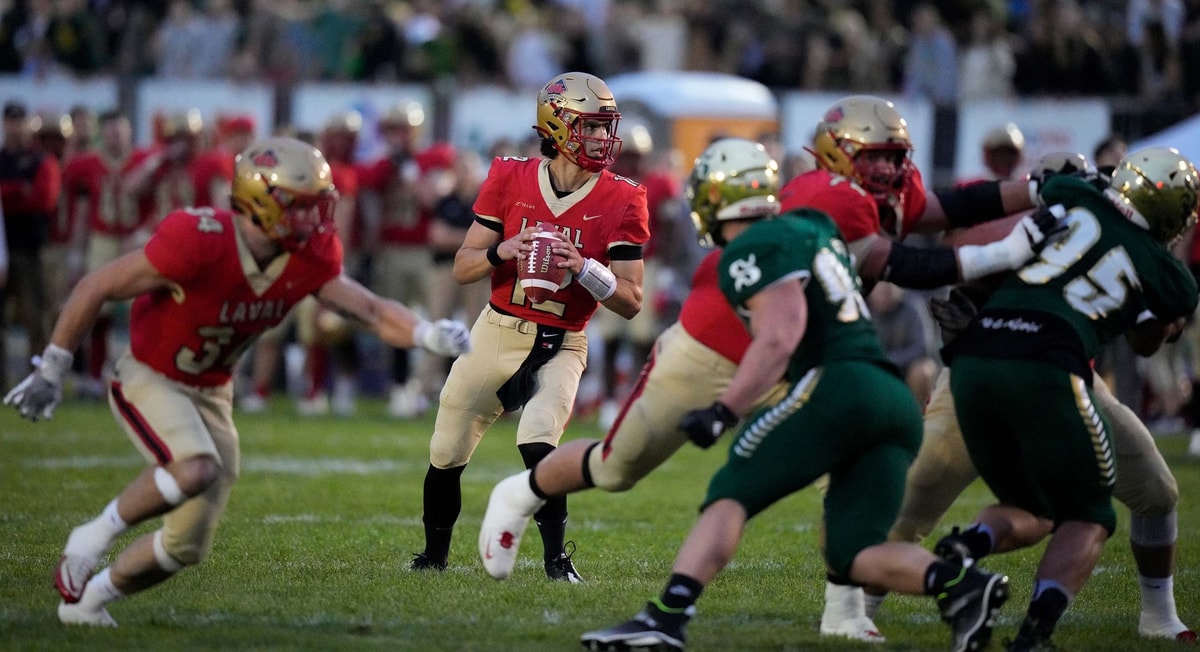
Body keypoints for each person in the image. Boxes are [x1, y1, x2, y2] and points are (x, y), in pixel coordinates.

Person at [480, 94, 1046, 642]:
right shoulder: (824, 201)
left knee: (833, 486)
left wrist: (1035, 192)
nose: (891, 171)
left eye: (895, 157)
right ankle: (521, 492)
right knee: (618, 465)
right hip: (717, 346)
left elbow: (938, 212)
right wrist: (1018, 238)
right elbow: (905, 261)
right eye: (875, 157)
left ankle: (834, 611)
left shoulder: (838, 206)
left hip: (799, 358)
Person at [2, 136, 471, 628]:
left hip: (213, 390)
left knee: (186, 544)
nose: (313, 218)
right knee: (195, 469)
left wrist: (426, 333)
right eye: (300, 205)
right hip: (151, 374)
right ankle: (91, 538)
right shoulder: (199, 239)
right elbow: (97, 285)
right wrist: (52, 368)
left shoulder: (306, 253)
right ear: (261, 201)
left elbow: (369, 309)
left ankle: (89, 602)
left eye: (316, 204)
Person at [578, 138, 1010, 652]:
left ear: (714, 199)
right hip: (889, 398)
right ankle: (961, 586)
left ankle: (665, 617)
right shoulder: (815, 227)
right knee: (854, 552)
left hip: (836, 387)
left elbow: (780, 336)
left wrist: (724, 409)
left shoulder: (752, 247)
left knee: (731, 492)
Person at [884, 151, 1198, 644]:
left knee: (1139, 494)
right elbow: (1147, 340)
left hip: (994, 357)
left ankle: (1155, 615)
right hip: (1044, 366)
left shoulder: (1071, 193)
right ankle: (855, 606)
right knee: (1080, 512)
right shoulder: (1169, 274)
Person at [411, 71, 649, 582]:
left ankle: (557, 562)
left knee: (539, 441)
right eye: (590, 126)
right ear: (557, 126)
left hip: (564, 340)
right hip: (498, 328)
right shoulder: (510, 177)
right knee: (447, 448)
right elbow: (462, 266)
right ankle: (432, 557)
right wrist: (503, 250)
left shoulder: (624, 197)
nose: (602, 138)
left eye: (605, 127)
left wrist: (584, 268)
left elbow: (631, 300)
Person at [0, 99, 61, 389]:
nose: (15, 127)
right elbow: (27, 195)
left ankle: (37, 380)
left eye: (19, 121)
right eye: (10, 121)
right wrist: (19, 190)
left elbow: (43, 199)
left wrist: (7, 195)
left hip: (32, 250)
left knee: (37, 319)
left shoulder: (40, 160)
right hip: (2, 250)